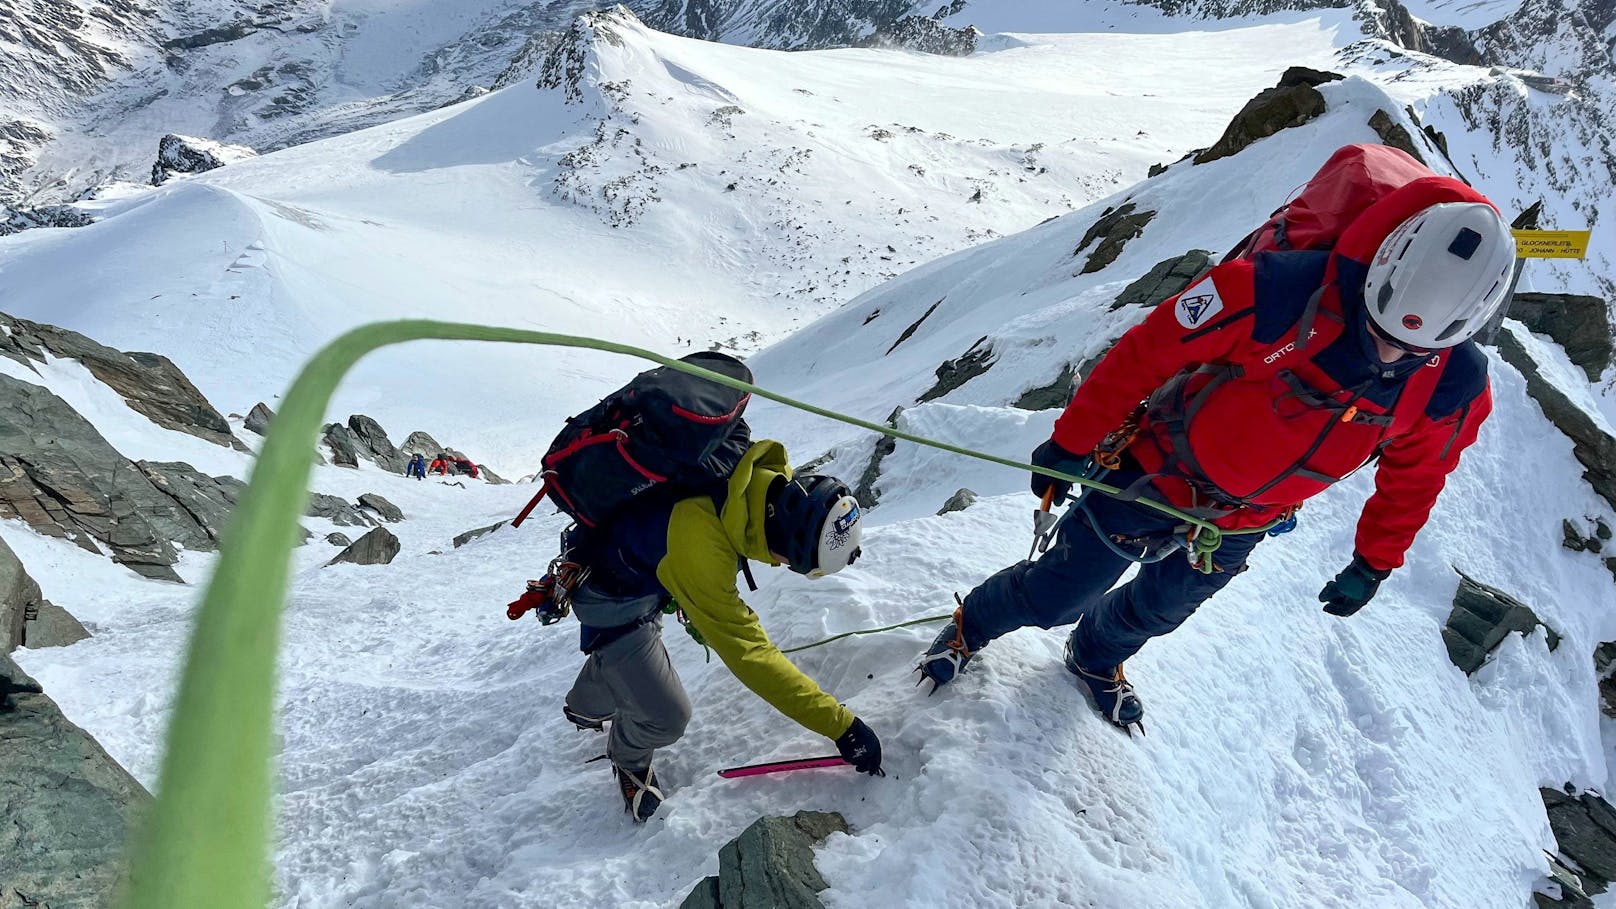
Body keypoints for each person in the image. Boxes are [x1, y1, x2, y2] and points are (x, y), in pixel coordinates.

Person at [918, 184, 1515, 733]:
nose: (1387, 352)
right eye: (1379, 327)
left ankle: (1094, 656)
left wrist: (1374, 562)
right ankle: (973, 625)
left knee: (1160, 608)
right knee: (1056, 594)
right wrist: (1074, 442)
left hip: (1248, 517)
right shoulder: (1274, 288)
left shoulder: (1454, 386)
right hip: (1151, 471)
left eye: (1410, 347)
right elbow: (1146, 353)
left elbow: (1418, 477)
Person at [511, 440, 882, 821]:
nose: (779, 565)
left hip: (637, 575)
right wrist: (841, 727)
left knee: (626, 667)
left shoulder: (757, 482)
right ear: (790, 541)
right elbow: (753, 658)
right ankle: (628, 758)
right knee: (667, 716)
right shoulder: (700, 553)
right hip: (613, 600)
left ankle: (587, 704)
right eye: (789, 561)